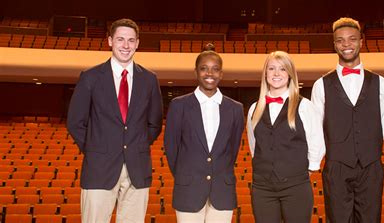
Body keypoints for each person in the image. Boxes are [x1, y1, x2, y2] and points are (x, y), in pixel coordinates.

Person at [67, 18, 163, 223]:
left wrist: (135, 146)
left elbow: (154, 123)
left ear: (137, 43)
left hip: (137, 169)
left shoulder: (149, 79)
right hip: (99, 168)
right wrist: (96, 149)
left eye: (131, 40)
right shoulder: (90, 77)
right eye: (120, 39)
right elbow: (75, 121)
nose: (126, 45)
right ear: (110, 41)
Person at [311, 17, 384, 223]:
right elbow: (317, 128)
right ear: (334, 44)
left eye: (351, 39)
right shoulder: (321, 85)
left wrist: (366, 150)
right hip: (336, 167)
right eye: (340, 40)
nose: (346, 44)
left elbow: (383, 124)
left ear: (361, 42)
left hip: (371, 166)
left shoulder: (380, 83)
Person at [164, 43, 244, 223]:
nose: (210, 74)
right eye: (204, 69)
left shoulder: (235, 109)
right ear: (196, 72)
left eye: (215, 69)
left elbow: (233, 149)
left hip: (222, 191)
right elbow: (171, 147)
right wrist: (187, 175)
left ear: (221, 74)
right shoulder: (179, 105)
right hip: (188, 189)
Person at [247, 51, 325, 223]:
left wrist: (310, 168)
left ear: (290, 74)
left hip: (295, 186)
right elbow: (254, 145)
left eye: (282, 69)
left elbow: (316, 140)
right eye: (272, 68)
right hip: (262, 188)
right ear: (265, 73)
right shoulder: (254, 108)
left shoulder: (304, 105)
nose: (276, 74)